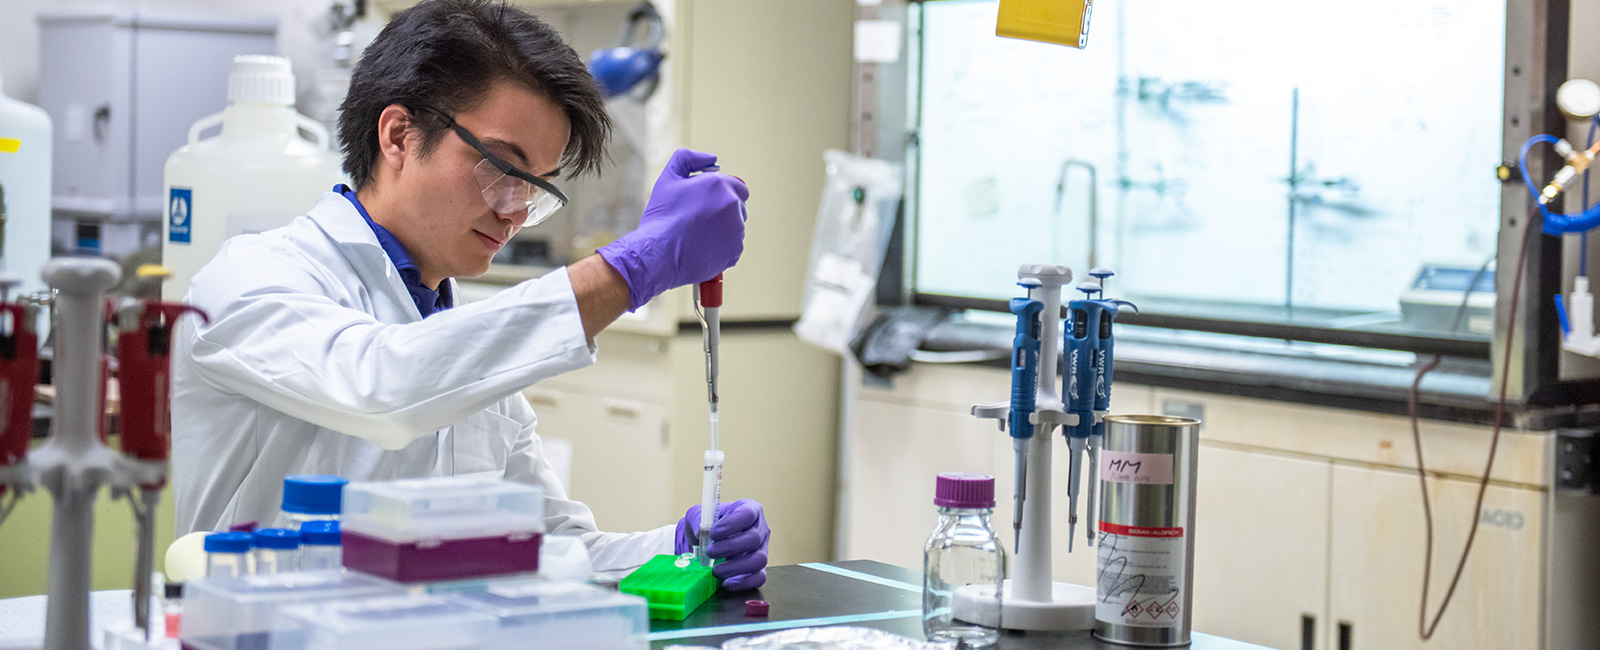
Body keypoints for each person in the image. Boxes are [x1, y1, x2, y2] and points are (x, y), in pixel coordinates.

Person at [169, 0, 767, 589]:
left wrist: (681, 550)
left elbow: (552, 549)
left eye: (535, 187)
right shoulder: (247, 282)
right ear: (399, 135)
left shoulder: (471, 353)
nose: (513, 212)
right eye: (500, 167)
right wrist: (633, 268)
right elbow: (382, 387)